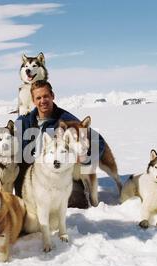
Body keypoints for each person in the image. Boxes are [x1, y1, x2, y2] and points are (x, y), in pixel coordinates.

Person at [14, 80, 106, 208]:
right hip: (32, 174)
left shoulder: (66, 119)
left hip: (61, 174)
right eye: (38, 98)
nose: (43, 101)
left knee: (75, 202)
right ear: (33, 101)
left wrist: (84, 157)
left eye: (46, 96)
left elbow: (98, 141)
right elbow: (12, 147)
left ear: (52, 96)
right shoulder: (23, 121)